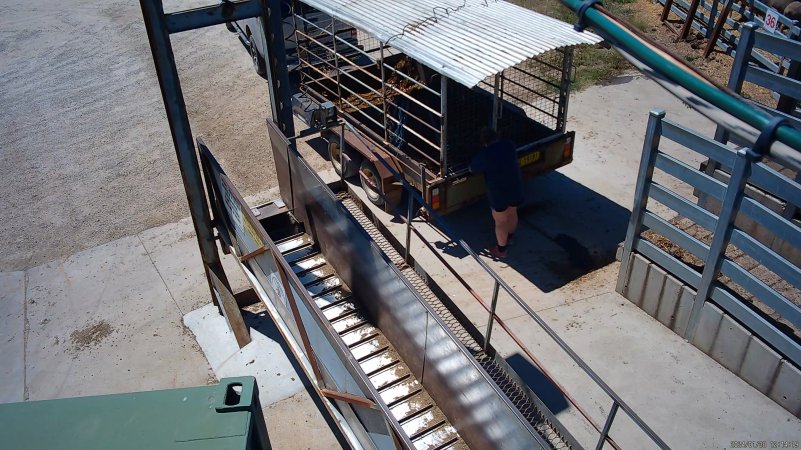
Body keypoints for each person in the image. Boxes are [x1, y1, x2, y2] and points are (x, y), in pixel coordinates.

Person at [470, 127, 524, 258]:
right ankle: (510, 238)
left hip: (499, 192)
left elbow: (472, 169)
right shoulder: (509, 145)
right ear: (497, 136)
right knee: (513, 212)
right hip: (515, 186)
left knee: (500, 221)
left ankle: (501, 250)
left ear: (484, 143)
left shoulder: (485, 154)